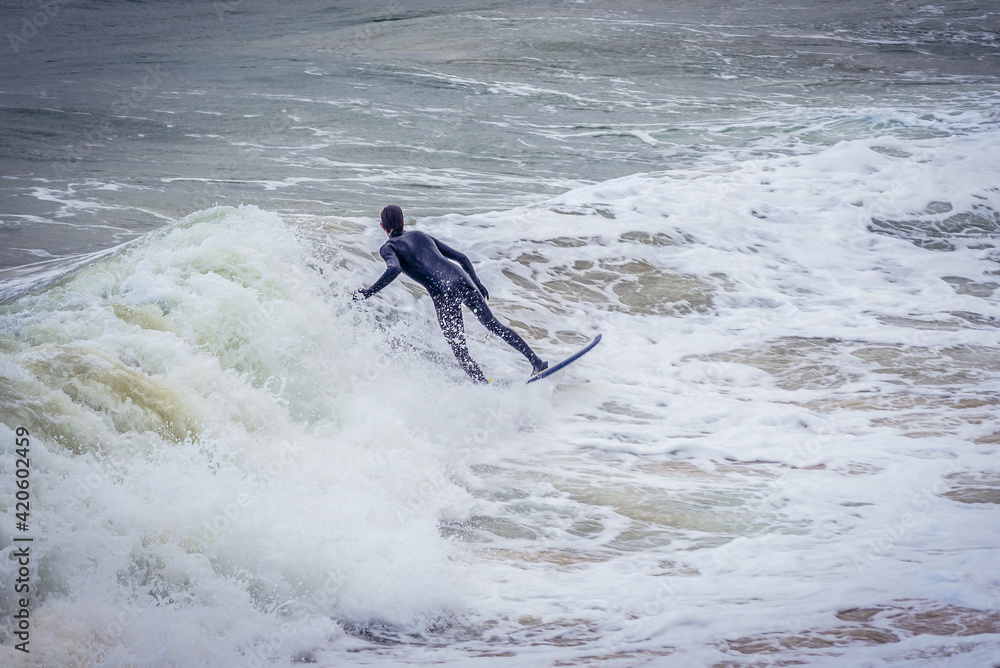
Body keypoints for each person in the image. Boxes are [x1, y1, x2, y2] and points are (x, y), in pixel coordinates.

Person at [354, 205, 548, 383]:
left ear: (382, 226)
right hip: (461, 278)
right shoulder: (421, 235)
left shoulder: (389, 248)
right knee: (494, 325)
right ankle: (537, 363)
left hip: (442, 292)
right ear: (403, 221)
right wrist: (477, 283)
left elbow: (393, 269)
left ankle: (483, 385)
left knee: (460, 350)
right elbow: (461, 257)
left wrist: (368, 292)